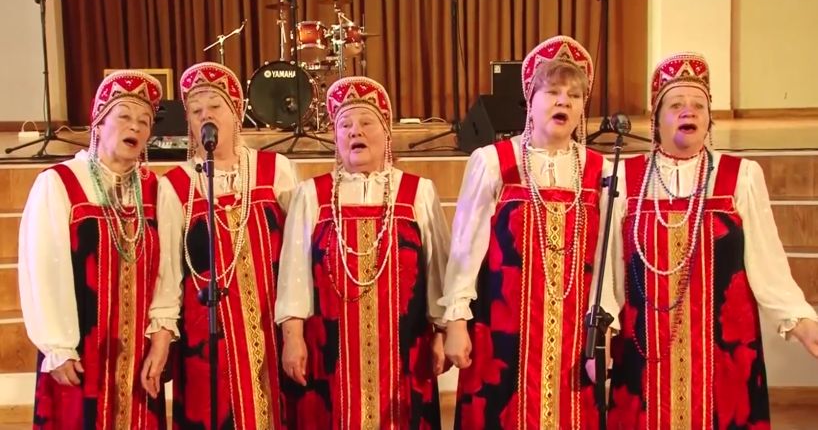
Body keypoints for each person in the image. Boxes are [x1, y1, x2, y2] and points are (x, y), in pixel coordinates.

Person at [606, 52, 818, 429]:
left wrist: (800, 321)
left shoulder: (741, 176)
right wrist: (605, 327)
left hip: (724, 353)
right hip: (645, 348)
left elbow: (767, 262)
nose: (688, 111)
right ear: (656, 119)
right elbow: (611, 267)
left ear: (708, 120)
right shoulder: (625, 176)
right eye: (676, 104)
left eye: (698, 105)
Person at [439, 35, 618, 429]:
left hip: (574, 334)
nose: (563, 102)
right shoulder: (494, 162)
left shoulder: (599, 171)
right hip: (503, 330)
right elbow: (466, 249)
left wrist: (603, 332)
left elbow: (607, 261)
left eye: (574, 95)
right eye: (552, 92)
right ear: (530, 101)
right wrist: (456, 321)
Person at [275, 76, 450, 429]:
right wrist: (292, 338)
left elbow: (439, 271)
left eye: (366, 122)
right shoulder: (312, 195)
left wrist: (443, 332)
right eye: (345, 125)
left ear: (387, 133)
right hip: (330, 354)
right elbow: (294, 275)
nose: (355, 131)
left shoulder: (418, 192)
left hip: (404, 351)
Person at [142, 62, 299, 429]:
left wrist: (298, 330)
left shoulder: (275, 169)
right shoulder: (176, 185)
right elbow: (168, 273)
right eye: (196, 111)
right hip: (208, 338)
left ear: (236, 112)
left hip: (271, 330)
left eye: (215, 106)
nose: (205, 116)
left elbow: (299, 256)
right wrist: (162, 340)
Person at [19, 70, 166, 429]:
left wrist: (160, 339)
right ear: (99, 123)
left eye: (145, 121)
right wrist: (58, 345)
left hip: (136, 353)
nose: (135, 126)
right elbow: (44, 268)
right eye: (124, 116)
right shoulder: (60, 182)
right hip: (82, 350)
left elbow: (166, 273)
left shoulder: (154, 189)